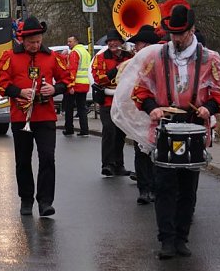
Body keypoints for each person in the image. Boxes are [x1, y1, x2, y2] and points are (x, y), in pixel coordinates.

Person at [125, 4, 220, 259]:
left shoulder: (210, 59)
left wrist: (209, 107)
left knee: (187, 187)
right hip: (165, 126)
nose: (175, 38)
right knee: (164, 186)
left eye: (180, 33)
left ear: (192, 30)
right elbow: (141, 89)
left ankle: (182, 238)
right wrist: (151, 107)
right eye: (172, 33)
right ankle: (166, 240)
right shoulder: (157, 57)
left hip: (194, 126)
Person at [0, 17, 72, 217]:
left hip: (45, 115)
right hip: (21, 116)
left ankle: (45, 201)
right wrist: (20, 92)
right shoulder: (10, 56)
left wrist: (54, 89)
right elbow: (0, 83)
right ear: (22, 40)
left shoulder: (52, 57)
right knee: (23, 160)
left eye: (38, 41)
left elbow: (68, 80)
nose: (35, 46)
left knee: (47, 158)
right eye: (31, 43)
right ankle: (26, 199)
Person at [121, 25, 160, 205]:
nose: (136, 48)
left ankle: (155, 187)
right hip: (139, 111)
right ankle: (144, 189)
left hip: (158, 110)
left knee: (157, 151)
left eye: (140, 44)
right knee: (141, 151)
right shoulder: (133, 62)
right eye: (136, 45)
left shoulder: (161, 60)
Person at [92, 29, 134, 176]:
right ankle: (107, 164)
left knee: (120, 133)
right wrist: (116, 70)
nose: (112, 43)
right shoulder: (101, 58)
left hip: (123, 101)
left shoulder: (129, 56)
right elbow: (99, 78)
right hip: (107, 101)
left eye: (115, 41)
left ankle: (118, 164)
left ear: (121, 43)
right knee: (109, 131)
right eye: (109, 42)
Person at [62, 35, 91, 137]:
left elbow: (72, 70)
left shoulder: (75, 53)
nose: (68, 43)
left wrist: (70, 86)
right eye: (68, 41)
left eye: (70, 41)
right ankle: (84, 130)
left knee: (69, 108)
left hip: (75, 84)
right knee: (82, 108)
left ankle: (69, 129)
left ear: (76, 42)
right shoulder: (86, 52)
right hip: (84, 83)